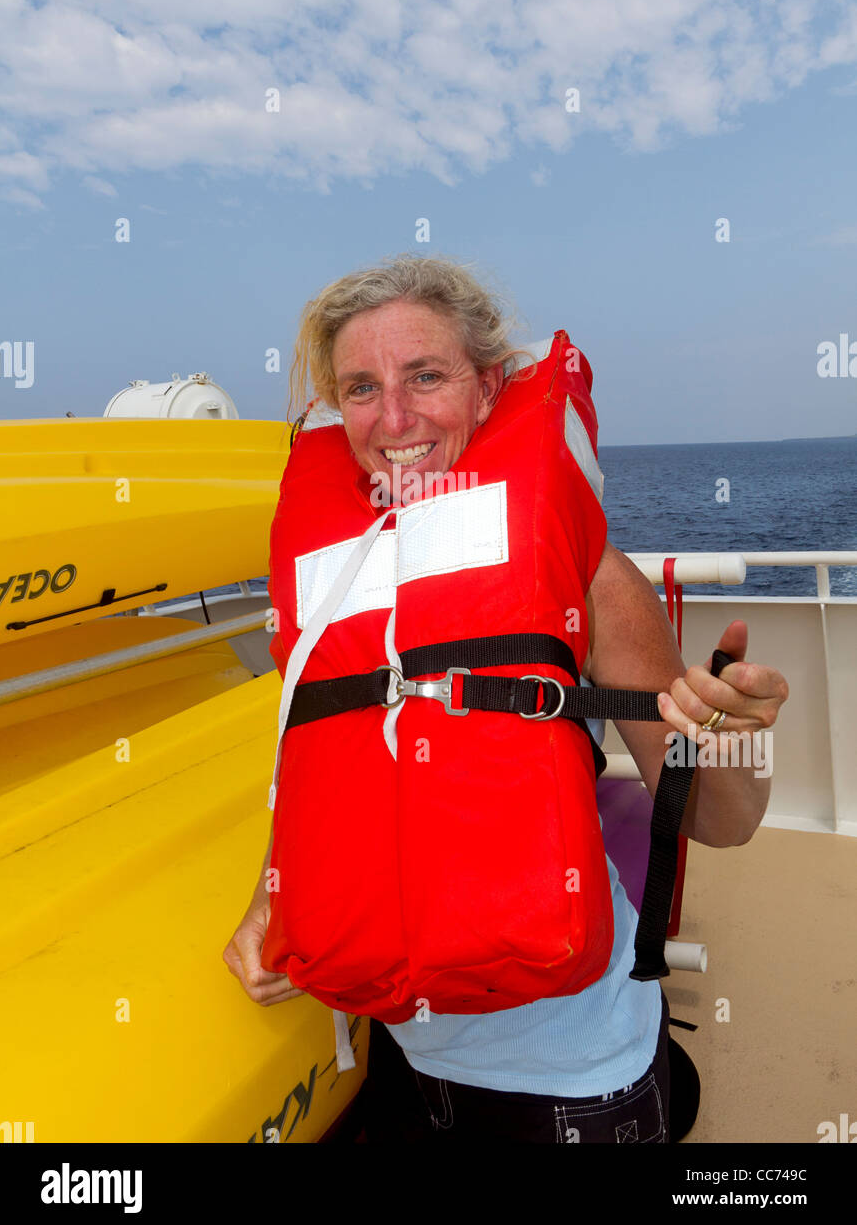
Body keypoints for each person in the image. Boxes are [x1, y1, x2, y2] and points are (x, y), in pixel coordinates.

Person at [223, 254, 789, 1144]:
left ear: (489, 387)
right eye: (362, 387)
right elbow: (320, 761)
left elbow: (723, 822)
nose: (395, 418)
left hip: (574, 1073)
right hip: (405, 1055)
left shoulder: (583, 571)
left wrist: (730, 740)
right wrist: (269, 902)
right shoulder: (332, 580)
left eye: (426, 376)